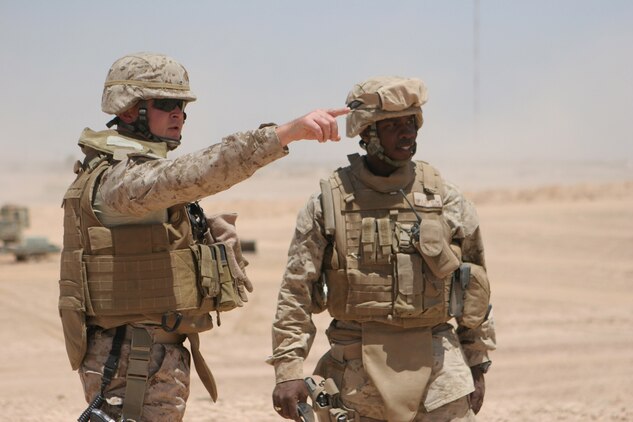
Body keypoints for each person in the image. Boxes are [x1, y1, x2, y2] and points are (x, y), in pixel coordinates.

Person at [58, 52, 348, 422]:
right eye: (166, 104)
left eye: (181, 105)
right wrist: (284, 134)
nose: (179, 113)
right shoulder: (122, 181)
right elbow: (197, 172)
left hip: (146, 354)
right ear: (128, 110)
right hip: (131, 357)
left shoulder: (132, 172)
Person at [269, 76, 496, 422]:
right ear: (367, 133)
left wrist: (476, 362)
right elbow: (296, 291)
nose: (407, 133)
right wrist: (288, 370)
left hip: (440, 374)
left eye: (411, 122)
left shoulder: (444, 198)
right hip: (356, 374)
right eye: (393, 125)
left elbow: (473, 283)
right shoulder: (329, 202)